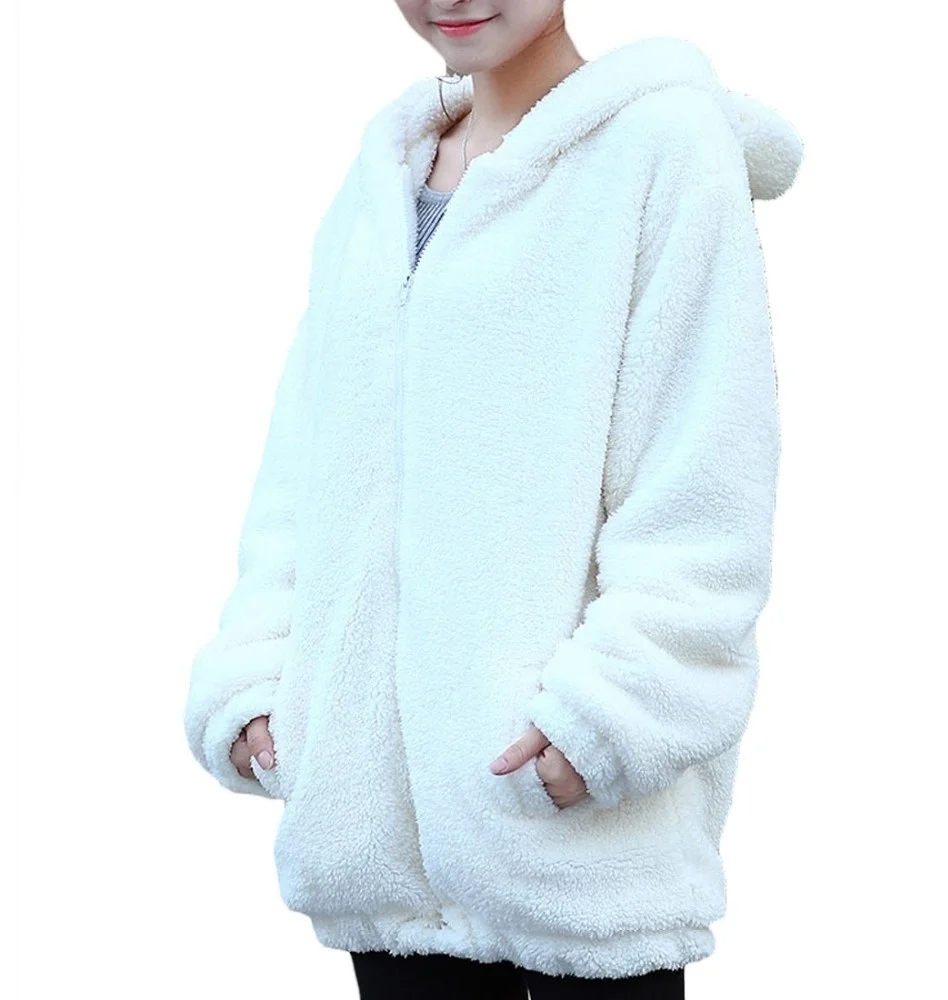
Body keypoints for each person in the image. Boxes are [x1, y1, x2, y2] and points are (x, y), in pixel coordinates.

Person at [183, 1, 803, 996]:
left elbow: (703, 481)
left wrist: (608, 720)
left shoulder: (663, 148)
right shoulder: (383, 176)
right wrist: (260, 673)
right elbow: (305, 467)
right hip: (380, 859)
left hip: (567, 830)